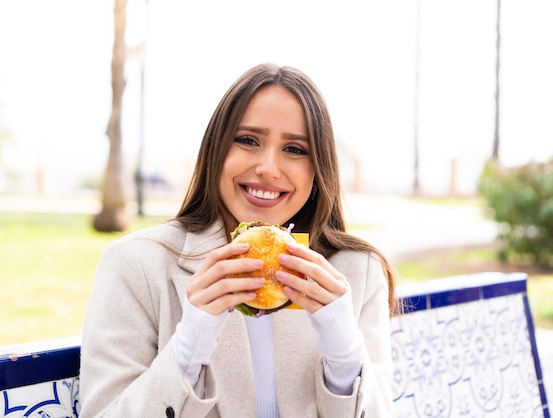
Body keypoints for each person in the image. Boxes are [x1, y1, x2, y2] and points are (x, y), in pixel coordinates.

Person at [79, 63, 398, 418]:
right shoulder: (136, 264)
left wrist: (343, 350)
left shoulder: (358, 272)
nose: (268, 167)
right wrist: (191, 341)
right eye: (248, 140)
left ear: (318, 168)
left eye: (295, 149)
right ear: (216, 149)